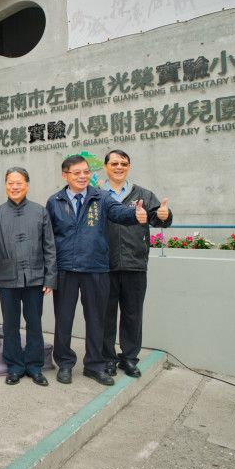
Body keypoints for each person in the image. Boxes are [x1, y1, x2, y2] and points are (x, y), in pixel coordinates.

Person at [46, 155, 146, 387]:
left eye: (86, 172)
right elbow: (48, 239)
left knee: (97, 320)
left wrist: (135, 215)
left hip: (96, 268)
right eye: (77, 173)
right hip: (65, 269)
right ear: (65, 176)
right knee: (64, 320)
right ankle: (65, 364)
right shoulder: (55, 201)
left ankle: (95, 365)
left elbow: (120, 213)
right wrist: (49, 274)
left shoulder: (101, 197)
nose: (83, 176)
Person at [0, 167, 57, 386]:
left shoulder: (40, 211)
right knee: (10, 325)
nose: (14, 187)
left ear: (27, 185)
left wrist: (50, 278)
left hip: (35, 278)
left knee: (34, 324)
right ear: (5, 186)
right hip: (8, 278)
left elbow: (50, 246)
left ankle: (34, 366)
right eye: (10, 183)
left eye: (19, 182)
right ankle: (14, 367)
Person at [99, 150, 172, 378]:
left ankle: (129, 358)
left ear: (128, 167)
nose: (119, 167)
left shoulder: (142, 194)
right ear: (106, 167)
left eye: (123, 163)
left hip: (135, 264)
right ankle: (107, 358)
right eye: (114, 163)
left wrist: (163, 214)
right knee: (105, 315)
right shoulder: (97, 195)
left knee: (133, 314)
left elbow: (160, 219)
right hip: (104, 265)